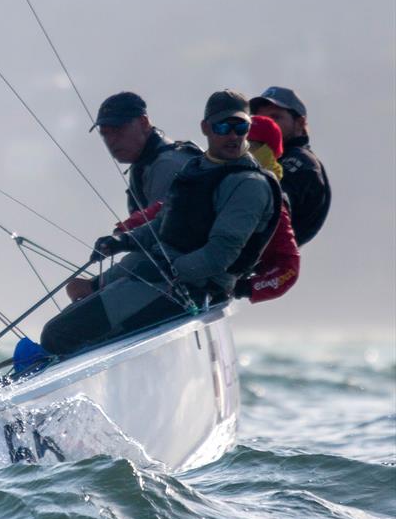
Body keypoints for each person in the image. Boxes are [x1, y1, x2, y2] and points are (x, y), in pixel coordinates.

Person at [42, 90, 280, 357]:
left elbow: (219, 255)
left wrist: (172, 269)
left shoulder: (249, 185)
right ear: (206, 128)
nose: (233, 135)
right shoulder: (199, 170)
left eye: (241, 127)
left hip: (192, 292)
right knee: (59, 330)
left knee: (60, 335)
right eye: (223, 126)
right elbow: (167, 220)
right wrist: (125, 241)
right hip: (164, 281)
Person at [67, 92, 200, 303]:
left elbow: (164, 245)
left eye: (118, 130)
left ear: (144, 122)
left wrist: (96, 284)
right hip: (172, 278)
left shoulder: (167, 165)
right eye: (105, 134)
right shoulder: (148, 163)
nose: (111, 141)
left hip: (186, 283)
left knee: (60, 333)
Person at [249, 86, 331, 245]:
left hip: (265, 261)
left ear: (300, 123)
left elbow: (268, 206)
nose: (265, 124)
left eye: (275, 117)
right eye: (259, 119)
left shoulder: (303, 163)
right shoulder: (261, 157)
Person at [235, 115, 300, 304]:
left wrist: (243, 288)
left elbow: (289, 269)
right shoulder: (219, 175)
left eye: (251, 145)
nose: (242, 149)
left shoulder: (272, 202)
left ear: (269, 152)